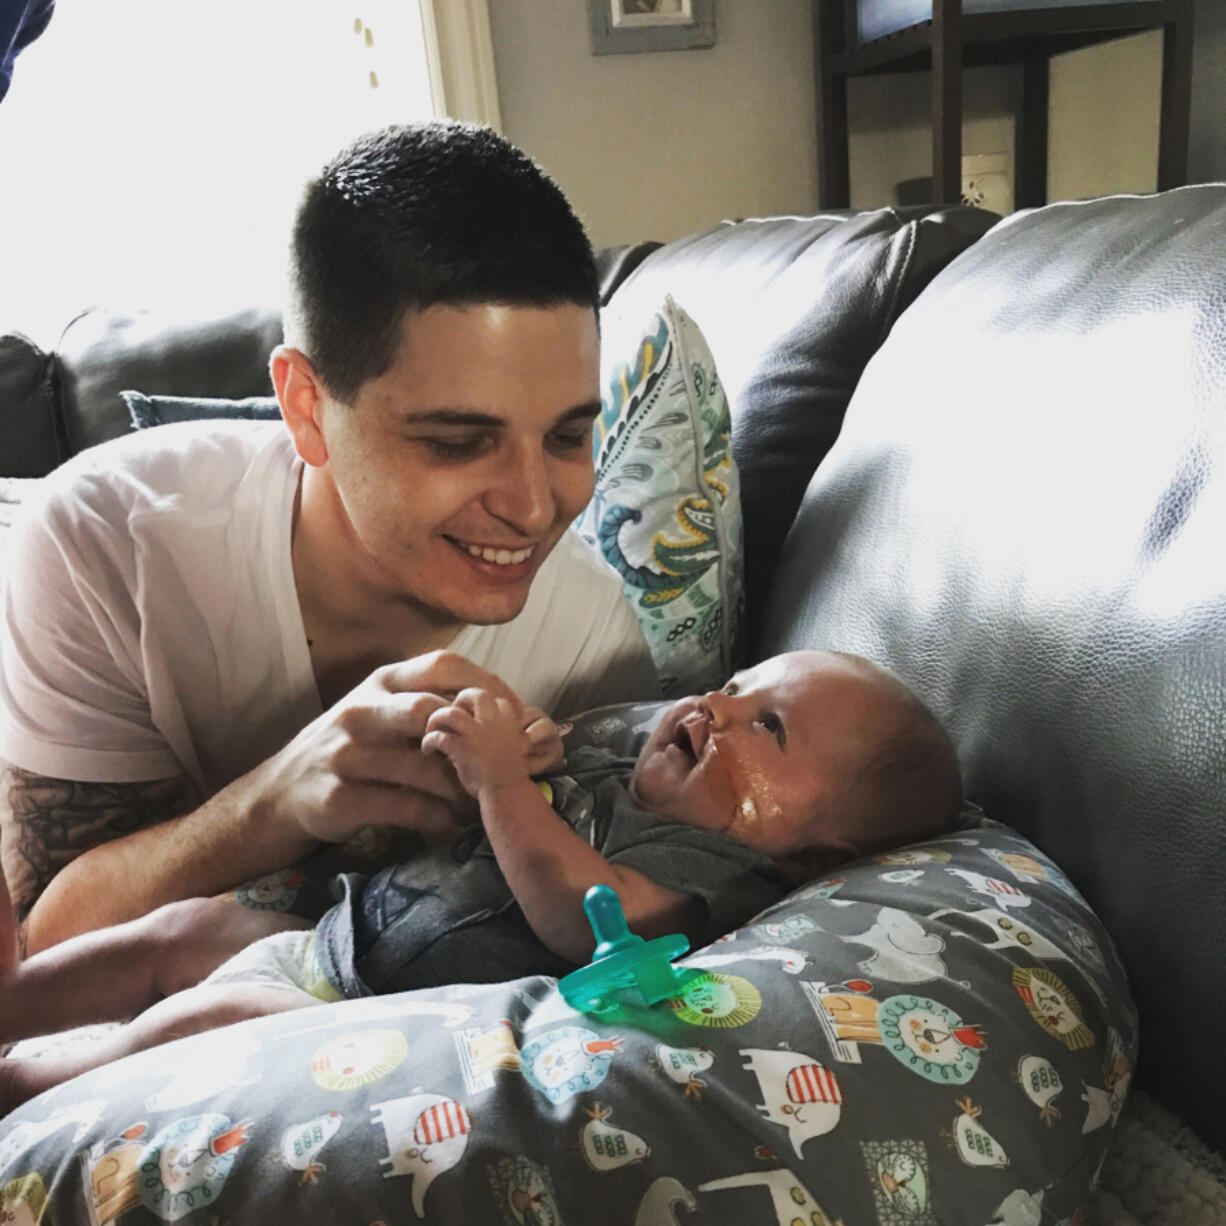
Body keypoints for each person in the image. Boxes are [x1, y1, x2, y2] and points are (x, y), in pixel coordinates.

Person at [0, 121, 659, 958]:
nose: (533, 510)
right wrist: (274, 802)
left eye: (567, 438)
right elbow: (39, 951)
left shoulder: (596, 646)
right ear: (306, 407)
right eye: (458, 443)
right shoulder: (105, 542)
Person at [0, 650, 962, 1110]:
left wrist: (506, 786)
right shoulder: (619, 771)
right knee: (179, 931)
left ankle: (19, 1087)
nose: (717, 706)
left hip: (369, 1023)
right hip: (336, 938)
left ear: (815, 858)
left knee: (191, 1026)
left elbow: (583, 920)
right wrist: (512, 754)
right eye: (739, 684)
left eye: (769, 728)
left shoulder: (718, 870)